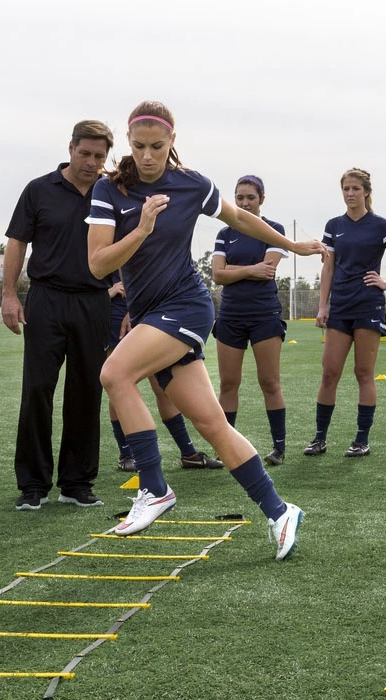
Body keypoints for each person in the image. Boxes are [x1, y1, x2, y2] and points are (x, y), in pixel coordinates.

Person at [87, 101, 325, 560]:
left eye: (157, 146)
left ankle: (154, 487)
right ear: (128, 143)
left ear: (172, 142)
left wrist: (292, 245)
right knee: (213, 424)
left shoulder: (192, 184)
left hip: (187, 307)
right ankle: (280, 512)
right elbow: (98, 264)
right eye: (139, 146)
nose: (148, 155)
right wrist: (140, 229)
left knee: (114, 374)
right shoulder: (108, 189)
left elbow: (241, 218)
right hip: (150, 312)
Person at [1, 120, 115, 511]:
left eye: (99, 156)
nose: (91, 162)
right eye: (85, 153)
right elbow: (17, 243)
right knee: (37, 390)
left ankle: (76, 483)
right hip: (46, 300)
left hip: (95, 301)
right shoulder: (38, 190)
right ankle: (33, 484)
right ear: (70, 149)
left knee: (87, 392)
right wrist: (9, 295)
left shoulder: (111, 192)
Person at [304, 167, 386, 459]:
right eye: (346, 189)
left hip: (368, 305)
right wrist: (323, 305)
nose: (350, 194)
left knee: (363, 373)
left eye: (356, 188)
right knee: (329, 373)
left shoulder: (380, 225)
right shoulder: (334, 225)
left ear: (367, 192)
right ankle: (319, 438)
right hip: (340, 307)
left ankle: (361, 440)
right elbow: (328, 267)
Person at [107, 271, 224, 473]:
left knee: (162, 386)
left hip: (150, 312)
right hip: (119, 314)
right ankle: (126, 455)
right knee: (120, 383)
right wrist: (109, 293)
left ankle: (188, 454)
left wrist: (136, 309)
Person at [211, 175, 290, 466]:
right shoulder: (224, 233)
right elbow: (217, 275)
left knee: (269, 382)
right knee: (228, 384)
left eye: (250, 198)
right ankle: (225, 449)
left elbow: (267, 271)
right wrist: (249, 269)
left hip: (264, 315)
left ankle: (279, 447)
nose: (244, 203)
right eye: (239, 198)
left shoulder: (275, 230)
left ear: (262, 200)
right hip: (230, 315)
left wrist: (234, 270)